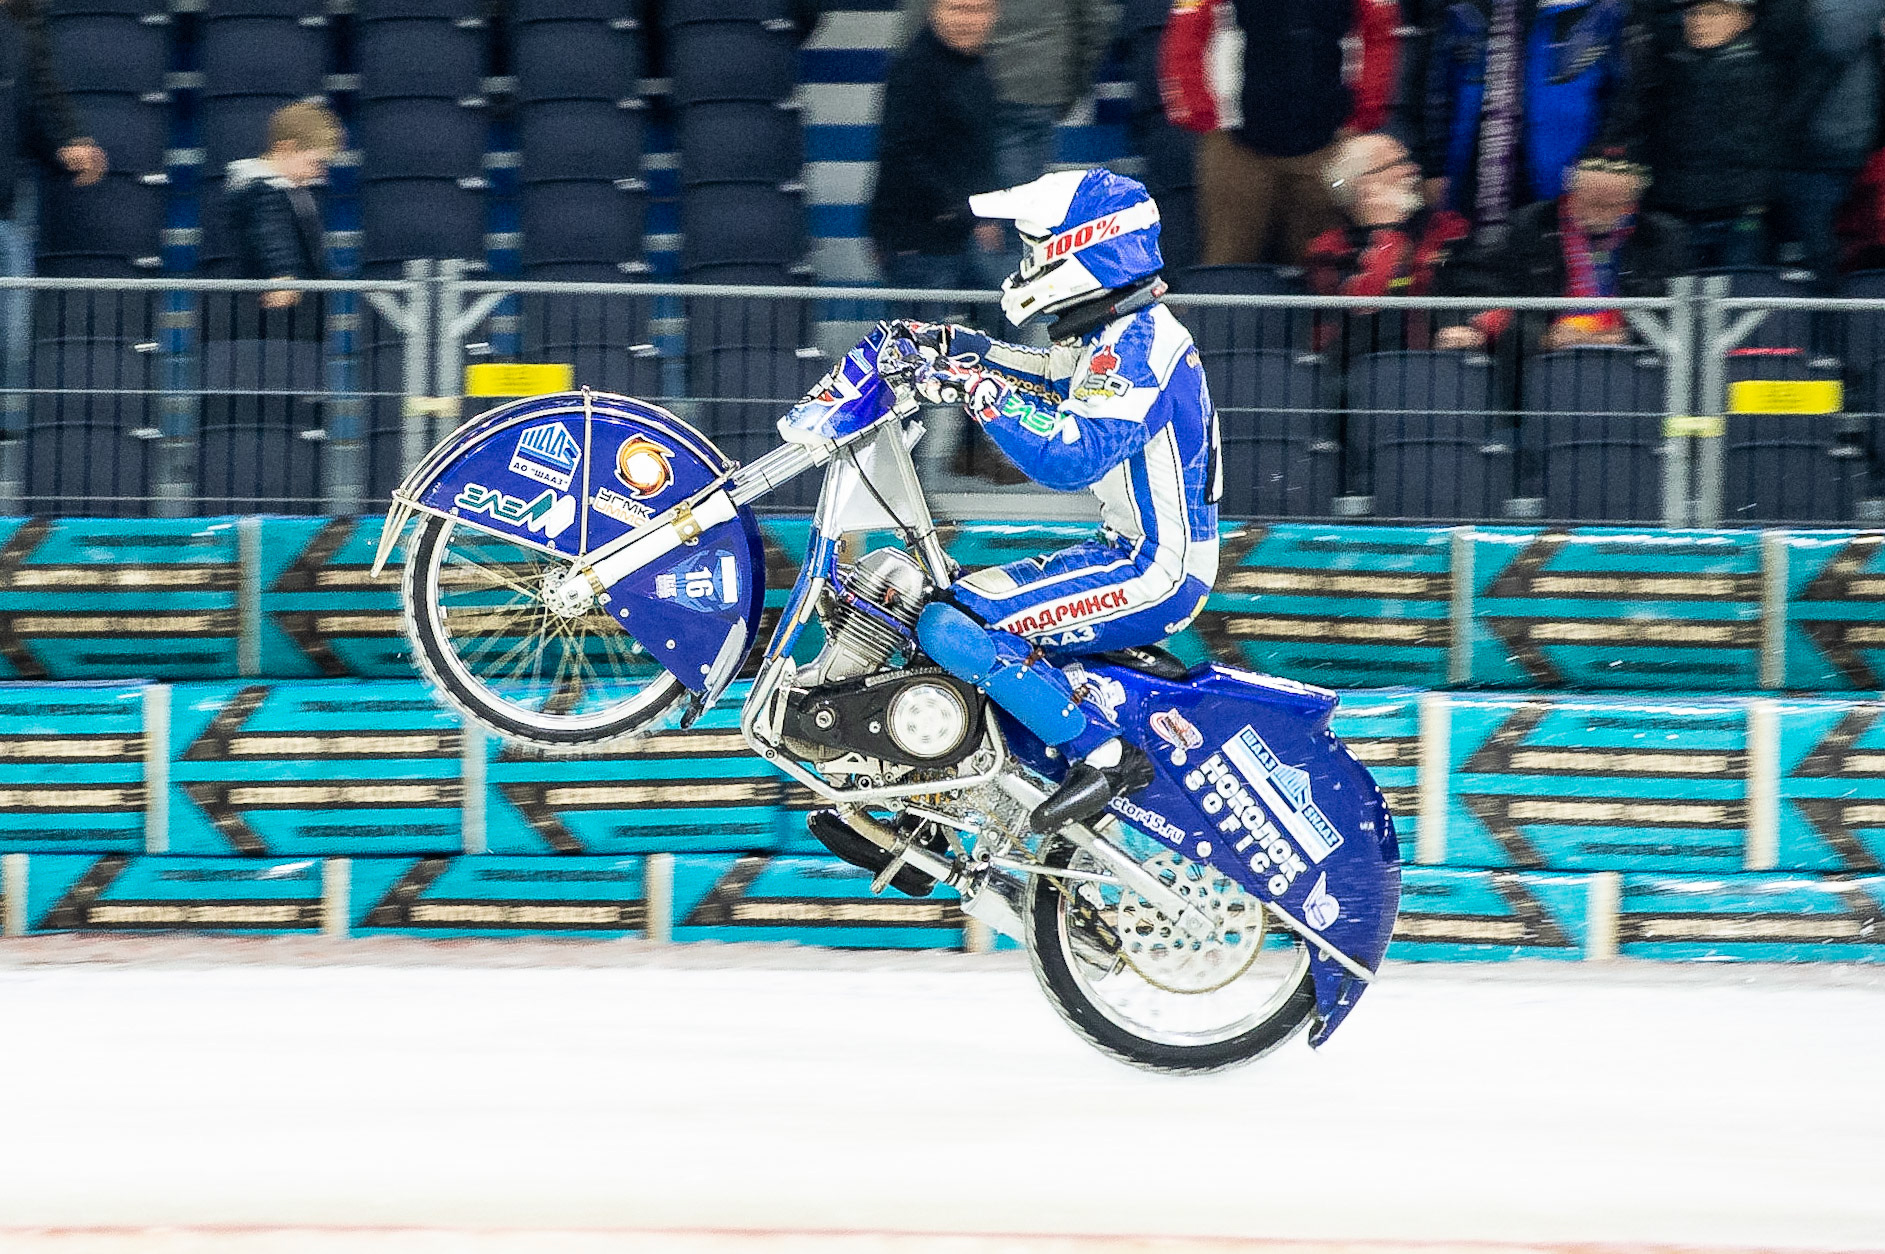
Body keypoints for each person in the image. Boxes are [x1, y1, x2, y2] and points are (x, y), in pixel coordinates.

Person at [879, 168, 1220, 830]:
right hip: (1124, 552)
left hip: (1155, 569)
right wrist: (956, 348)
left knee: (955, 626)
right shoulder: (1107, 336)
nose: (1026, 264)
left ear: (1083, 252)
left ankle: (1107, 755)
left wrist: (976, 390)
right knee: (945, 610)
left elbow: (1072, 453)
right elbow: (1041, 373)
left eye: (1038, 251)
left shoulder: (1139, 347)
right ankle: (942, 808)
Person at [1158, 0, 1399, 265]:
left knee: (1325, 270)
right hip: (1235, 148)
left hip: (1328, 148)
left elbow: (1379, 32)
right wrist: (1205, 116)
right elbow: (1184, 32)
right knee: (1229, 267)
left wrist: (1362, 115)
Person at [1403, 0, 1639, 245]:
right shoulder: (1462, 9)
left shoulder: (1602, 11)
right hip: (1472, 177)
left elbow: (1623, 99)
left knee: (1548, 261)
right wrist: (1435, 167)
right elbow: (1436, 91)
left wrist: (1601, 164)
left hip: (1562, 177)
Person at [1434, 155, 1691, 354]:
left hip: (1629, 365)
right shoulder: (1528, 227)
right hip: (1542, 366)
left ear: (1631, 205)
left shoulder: (1661, 237)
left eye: (1611, 206)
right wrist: (1543, 336)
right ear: (1571, 195)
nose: (1598, 213)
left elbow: (1681, 317)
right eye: (1590, 202)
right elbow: (1481, 296)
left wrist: (1627, 335)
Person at [1640, 0, 1800, 269]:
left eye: (1714, 12)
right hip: (1677, 213)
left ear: (1745, 20)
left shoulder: (1766, 61)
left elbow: (1787, 16)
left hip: (1742, 214)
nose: (1700, 21)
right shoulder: (1668, 64)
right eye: (1693, 13)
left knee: (1742, 296)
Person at [0, 0, 106, 387]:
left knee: (11, 337)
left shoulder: (25, 28)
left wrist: (67, 147)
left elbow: (39, 103)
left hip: (6, 206)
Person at [869, 0, 1006, 291]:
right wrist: (964, 210)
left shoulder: (979, 69)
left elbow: (982, 153)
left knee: (1002, 322)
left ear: (994, 14)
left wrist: (984, 215)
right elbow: (902, 155)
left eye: (979, 10)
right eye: (958, 9)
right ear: (934, 10)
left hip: (964, 232)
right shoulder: (912, 69)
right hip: (916, 239)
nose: (968, 20)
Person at [1303, 131, 1471, 352]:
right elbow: (1364, 309)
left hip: (1436, 366)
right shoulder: (1328, 250)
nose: (1413, 171)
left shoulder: (1446, 229)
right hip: (1357, 369)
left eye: (1408, 160)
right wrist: (1386, 235)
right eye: (1396, 164)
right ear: (1363, 184)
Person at [1773, 0, 1882, 286]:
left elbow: (1834, 41)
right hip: (1837, 140)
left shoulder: (1836, 14)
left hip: (1825, 142)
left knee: (1818, 243)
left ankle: (1832, 317)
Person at [223, 98, 341, 326]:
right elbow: (272, 232)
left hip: (296, 312)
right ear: (287, 148)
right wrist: (284, 273)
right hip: (266, 315)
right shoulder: (263, 191)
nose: (322, 173)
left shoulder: (290, 190)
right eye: (316, 163)